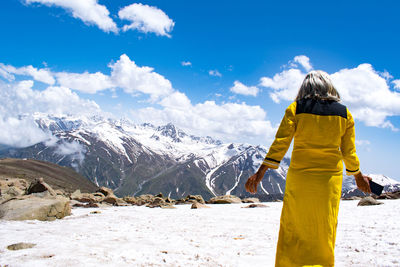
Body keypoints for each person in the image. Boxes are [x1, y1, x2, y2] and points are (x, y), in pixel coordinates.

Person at [245, 70, 372, 267]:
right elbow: (349, 152)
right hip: (329, 181)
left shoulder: (296, 108)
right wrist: (357, 176)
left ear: (305, 87)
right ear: (329, 87)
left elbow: (280, 143)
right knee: (325, 227)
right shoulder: (344, 113)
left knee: (293, 225)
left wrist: (261, 172)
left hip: (301, 178)